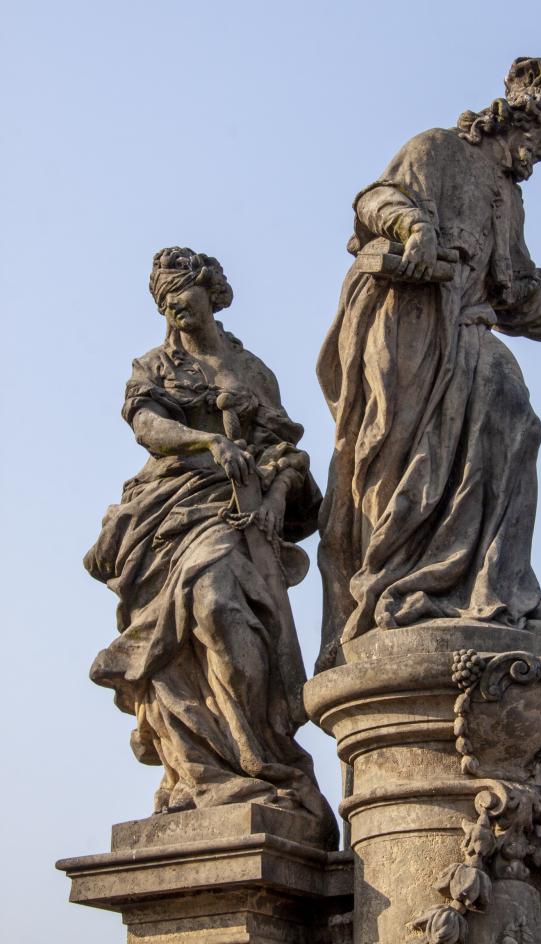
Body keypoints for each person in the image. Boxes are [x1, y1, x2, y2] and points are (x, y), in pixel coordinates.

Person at [316, 57, 541, 671]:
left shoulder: (509, 201)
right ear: (521, 120)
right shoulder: (435, 148)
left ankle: (492, 585)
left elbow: (515, 294)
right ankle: (401, 580)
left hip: (467, 332)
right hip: (407, 328)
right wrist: (412, 226)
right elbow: (376, 199)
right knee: (403, 463)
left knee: (516, 420)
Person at [85, 246, 336, 842]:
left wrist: (275, 496)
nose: (175, 311)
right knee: (193, 625)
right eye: (164, 304)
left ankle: (258, 755)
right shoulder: (152, 366)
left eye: (183, 297)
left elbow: (285, 451)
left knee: (228, 616)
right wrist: (205, 446)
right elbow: (147, 426)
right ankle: (203, 769)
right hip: (168, 511)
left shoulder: (252, 372)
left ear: (211, 294)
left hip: (239, 511)